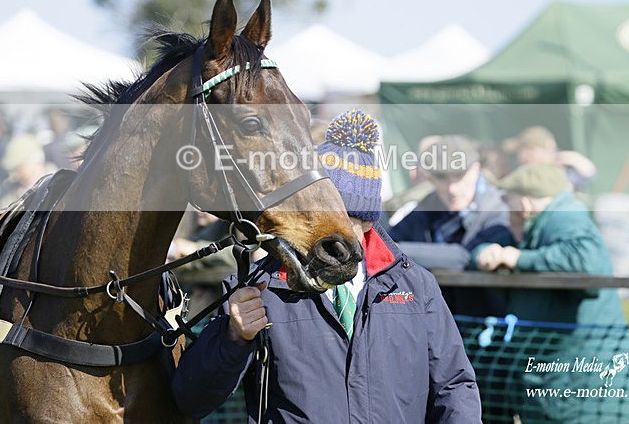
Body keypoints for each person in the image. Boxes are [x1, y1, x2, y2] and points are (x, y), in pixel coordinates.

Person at [170, 109, 482, 422]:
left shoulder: (414, 285)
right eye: (320, 216)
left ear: (368, 222)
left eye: (349, 218)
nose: (333, 233)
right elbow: (191, 399)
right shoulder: (258, 288)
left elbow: (454, 386)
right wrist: (233, 338)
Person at [474, 163, 629, 423]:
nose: (507, 211)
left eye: (509, 202)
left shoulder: (564, 217)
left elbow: (590, 264)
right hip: (569, 389)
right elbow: (493, 247)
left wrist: (518, 259)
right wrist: (485, 252)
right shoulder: (540, 226)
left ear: (526, 203)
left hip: (586, 396)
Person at [388, 134, 513, 316]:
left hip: (489, 329)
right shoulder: (429, 204)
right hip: (437, 323)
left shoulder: (499, 208)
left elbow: (465, 256)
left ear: (476, 169)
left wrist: (398, 250)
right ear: (430, 178)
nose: (452, 189)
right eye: (442, 178)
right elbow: (387, 240)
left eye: (459, 176)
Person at [502, 125, 596, 189]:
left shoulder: (559, 169)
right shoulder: (522, 172)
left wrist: (575, 159)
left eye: (531, 149)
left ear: (548, 146)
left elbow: (588, 173)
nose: (523, 156)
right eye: (521, 150)